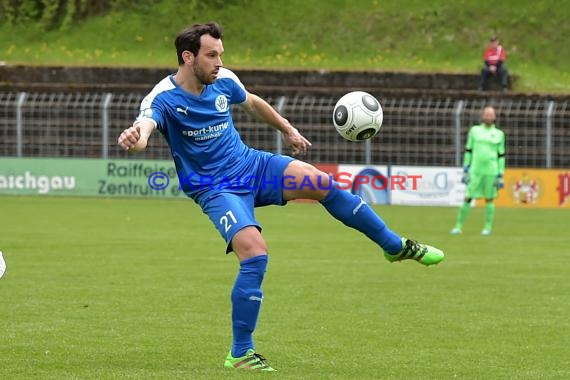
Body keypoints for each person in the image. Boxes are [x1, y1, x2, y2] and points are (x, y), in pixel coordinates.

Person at [117, 22, 445, 372]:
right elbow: (145, 131)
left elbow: (253, 103)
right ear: (188, 57)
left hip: (251, 164)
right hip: (215, 187)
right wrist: (134, 139)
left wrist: (287, 129)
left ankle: (394, 246)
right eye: (211, 55)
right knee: (255, 253)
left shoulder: (224, 79)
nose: (219, 61)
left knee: (322, 183)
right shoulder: (162, 98)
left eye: (220, 54)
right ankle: (241, 353)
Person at [451, 106, 506, 236]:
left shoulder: (499, 134)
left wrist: (501, 174)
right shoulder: (475, 131)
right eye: (486, 114)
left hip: (491, 171)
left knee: (489, 199)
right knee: (467, 197)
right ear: (483, 116)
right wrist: (466, 167)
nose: (488, 117)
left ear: (494, 117)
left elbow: (501, 155)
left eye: (491, 115)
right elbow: (469, 150)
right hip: (475, 170)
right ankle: (458, 226)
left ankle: (487, 227)